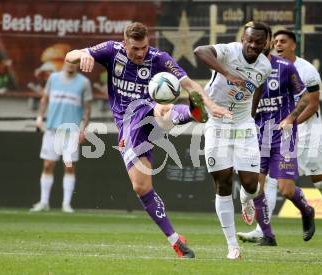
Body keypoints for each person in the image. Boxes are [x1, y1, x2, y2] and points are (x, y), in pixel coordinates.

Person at [65, 22, 230, 258]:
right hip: (128, 127)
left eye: (144, 47)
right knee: (141, 187)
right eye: (135, 49)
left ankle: (191, 113)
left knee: (158, 108)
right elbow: (69, 56)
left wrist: (210, 105)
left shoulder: (159, 58)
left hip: (148, 111)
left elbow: (189, 84)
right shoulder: (112, 51)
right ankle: (176, 241)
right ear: (125, 44)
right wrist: (81, 55)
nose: (140, 53)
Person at [238, 29, 322, 245]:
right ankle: (264, 231)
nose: (278, 44)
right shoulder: (253, 69)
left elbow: (312, 103)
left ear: (293, 45)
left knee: (318, 182)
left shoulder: (304, 70)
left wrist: (290, 122)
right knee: (264, 183)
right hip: (268, 132)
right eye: (275, 41)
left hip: (305, 131)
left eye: (282, 41)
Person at [194, 21, 276, 259]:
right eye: (248, 40)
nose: (252, 45)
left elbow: (258, 88)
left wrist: (250, 114)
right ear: (242, 39)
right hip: (217, 123)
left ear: (266, 43)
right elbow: (200, 51)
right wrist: (227, 72)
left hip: (243, 125)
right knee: (223, 184)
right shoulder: (228, 51)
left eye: (258, 42)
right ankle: (232, 246)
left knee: (251, 185)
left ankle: (247, 199)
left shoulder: (265, 66)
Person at [30, 61, 92, 213]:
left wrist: (84, 129)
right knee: (47, 165)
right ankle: (44, 202)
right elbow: (44, 99)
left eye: (74, 63)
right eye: (68, 62)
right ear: (63, 63)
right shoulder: (53, 78)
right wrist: (39, 117)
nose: (71, 65)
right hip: (52, 129)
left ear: (77, 65)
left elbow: (87, 109)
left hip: (71, 131)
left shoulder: (84, 82)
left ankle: (66, 204)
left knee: (69, 167)